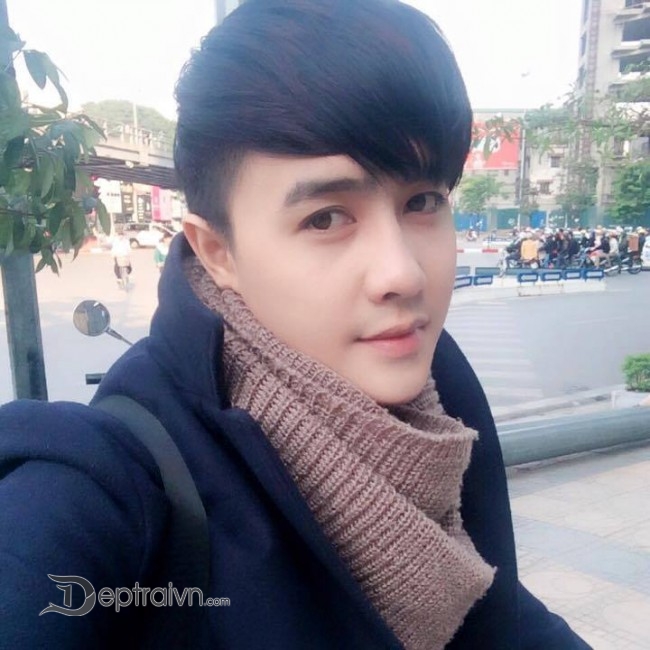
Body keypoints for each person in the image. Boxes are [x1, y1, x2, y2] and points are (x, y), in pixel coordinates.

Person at [0, 2, 591, 648]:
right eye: (325, 218)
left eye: (422, 201)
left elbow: (497, 615)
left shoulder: (437, 386)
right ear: (217, 251)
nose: (401, 274)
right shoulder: (118, 481)